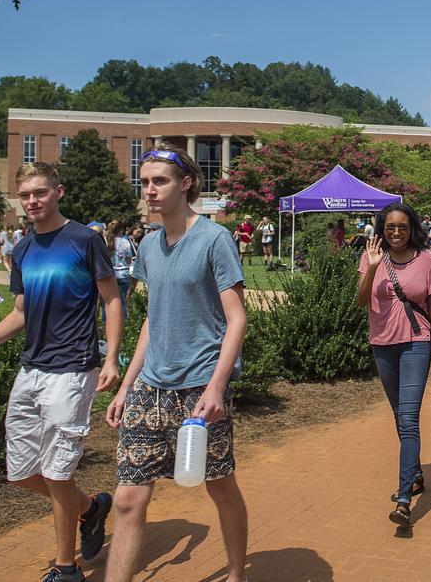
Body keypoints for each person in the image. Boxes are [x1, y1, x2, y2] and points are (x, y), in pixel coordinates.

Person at [0, 161, 124, 582]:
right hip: (32, 369)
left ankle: (66, 568)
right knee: (23, 472)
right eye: (25, 195)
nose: (32, 202)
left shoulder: (84, 239)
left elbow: (112, 300)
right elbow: (21, 313)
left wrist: (111, 358)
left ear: (58, 192)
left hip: (72, 370)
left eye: (40, 193)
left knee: (58, 472)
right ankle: (91, 509)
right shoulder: (23, 247)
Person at [105, 146, 249, 582]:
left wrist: (216, 387)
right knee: (128, 499)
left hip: (198, 388)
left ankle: (238, 574)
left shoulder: (214, 239)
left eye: (159, 181)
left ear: (185, 184)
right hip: (151, 387)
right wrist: (127, 385)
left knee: (219, 487)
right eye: (144, 182)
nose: (149, 190)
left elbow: (237, 319)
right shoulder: (148, 244)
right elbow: (153, 318)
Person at [355, 203, 431, 525]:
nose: (396, 233)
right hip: (382, 345)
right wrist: (372, 267)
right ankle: (417, 474)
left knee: (408, 418)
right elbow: (360, 300)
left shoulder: (427, 260)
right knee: (399, 415)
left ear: (413, 229)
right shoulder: (370, 257)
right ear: (382, 229)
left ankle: (405, 497)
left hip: (415, 343)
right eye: (390, 227)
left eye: (403, 227)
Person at [106, 220, 135, 314]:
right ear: (121, 230)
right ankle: (124, 323)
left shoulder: (105, 240)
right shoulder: (125, 242)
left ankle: (105, 323)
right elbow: (129, 259)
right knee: (122, 301)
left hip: (108, 274)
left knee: (107, 302)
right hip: (123, 274)